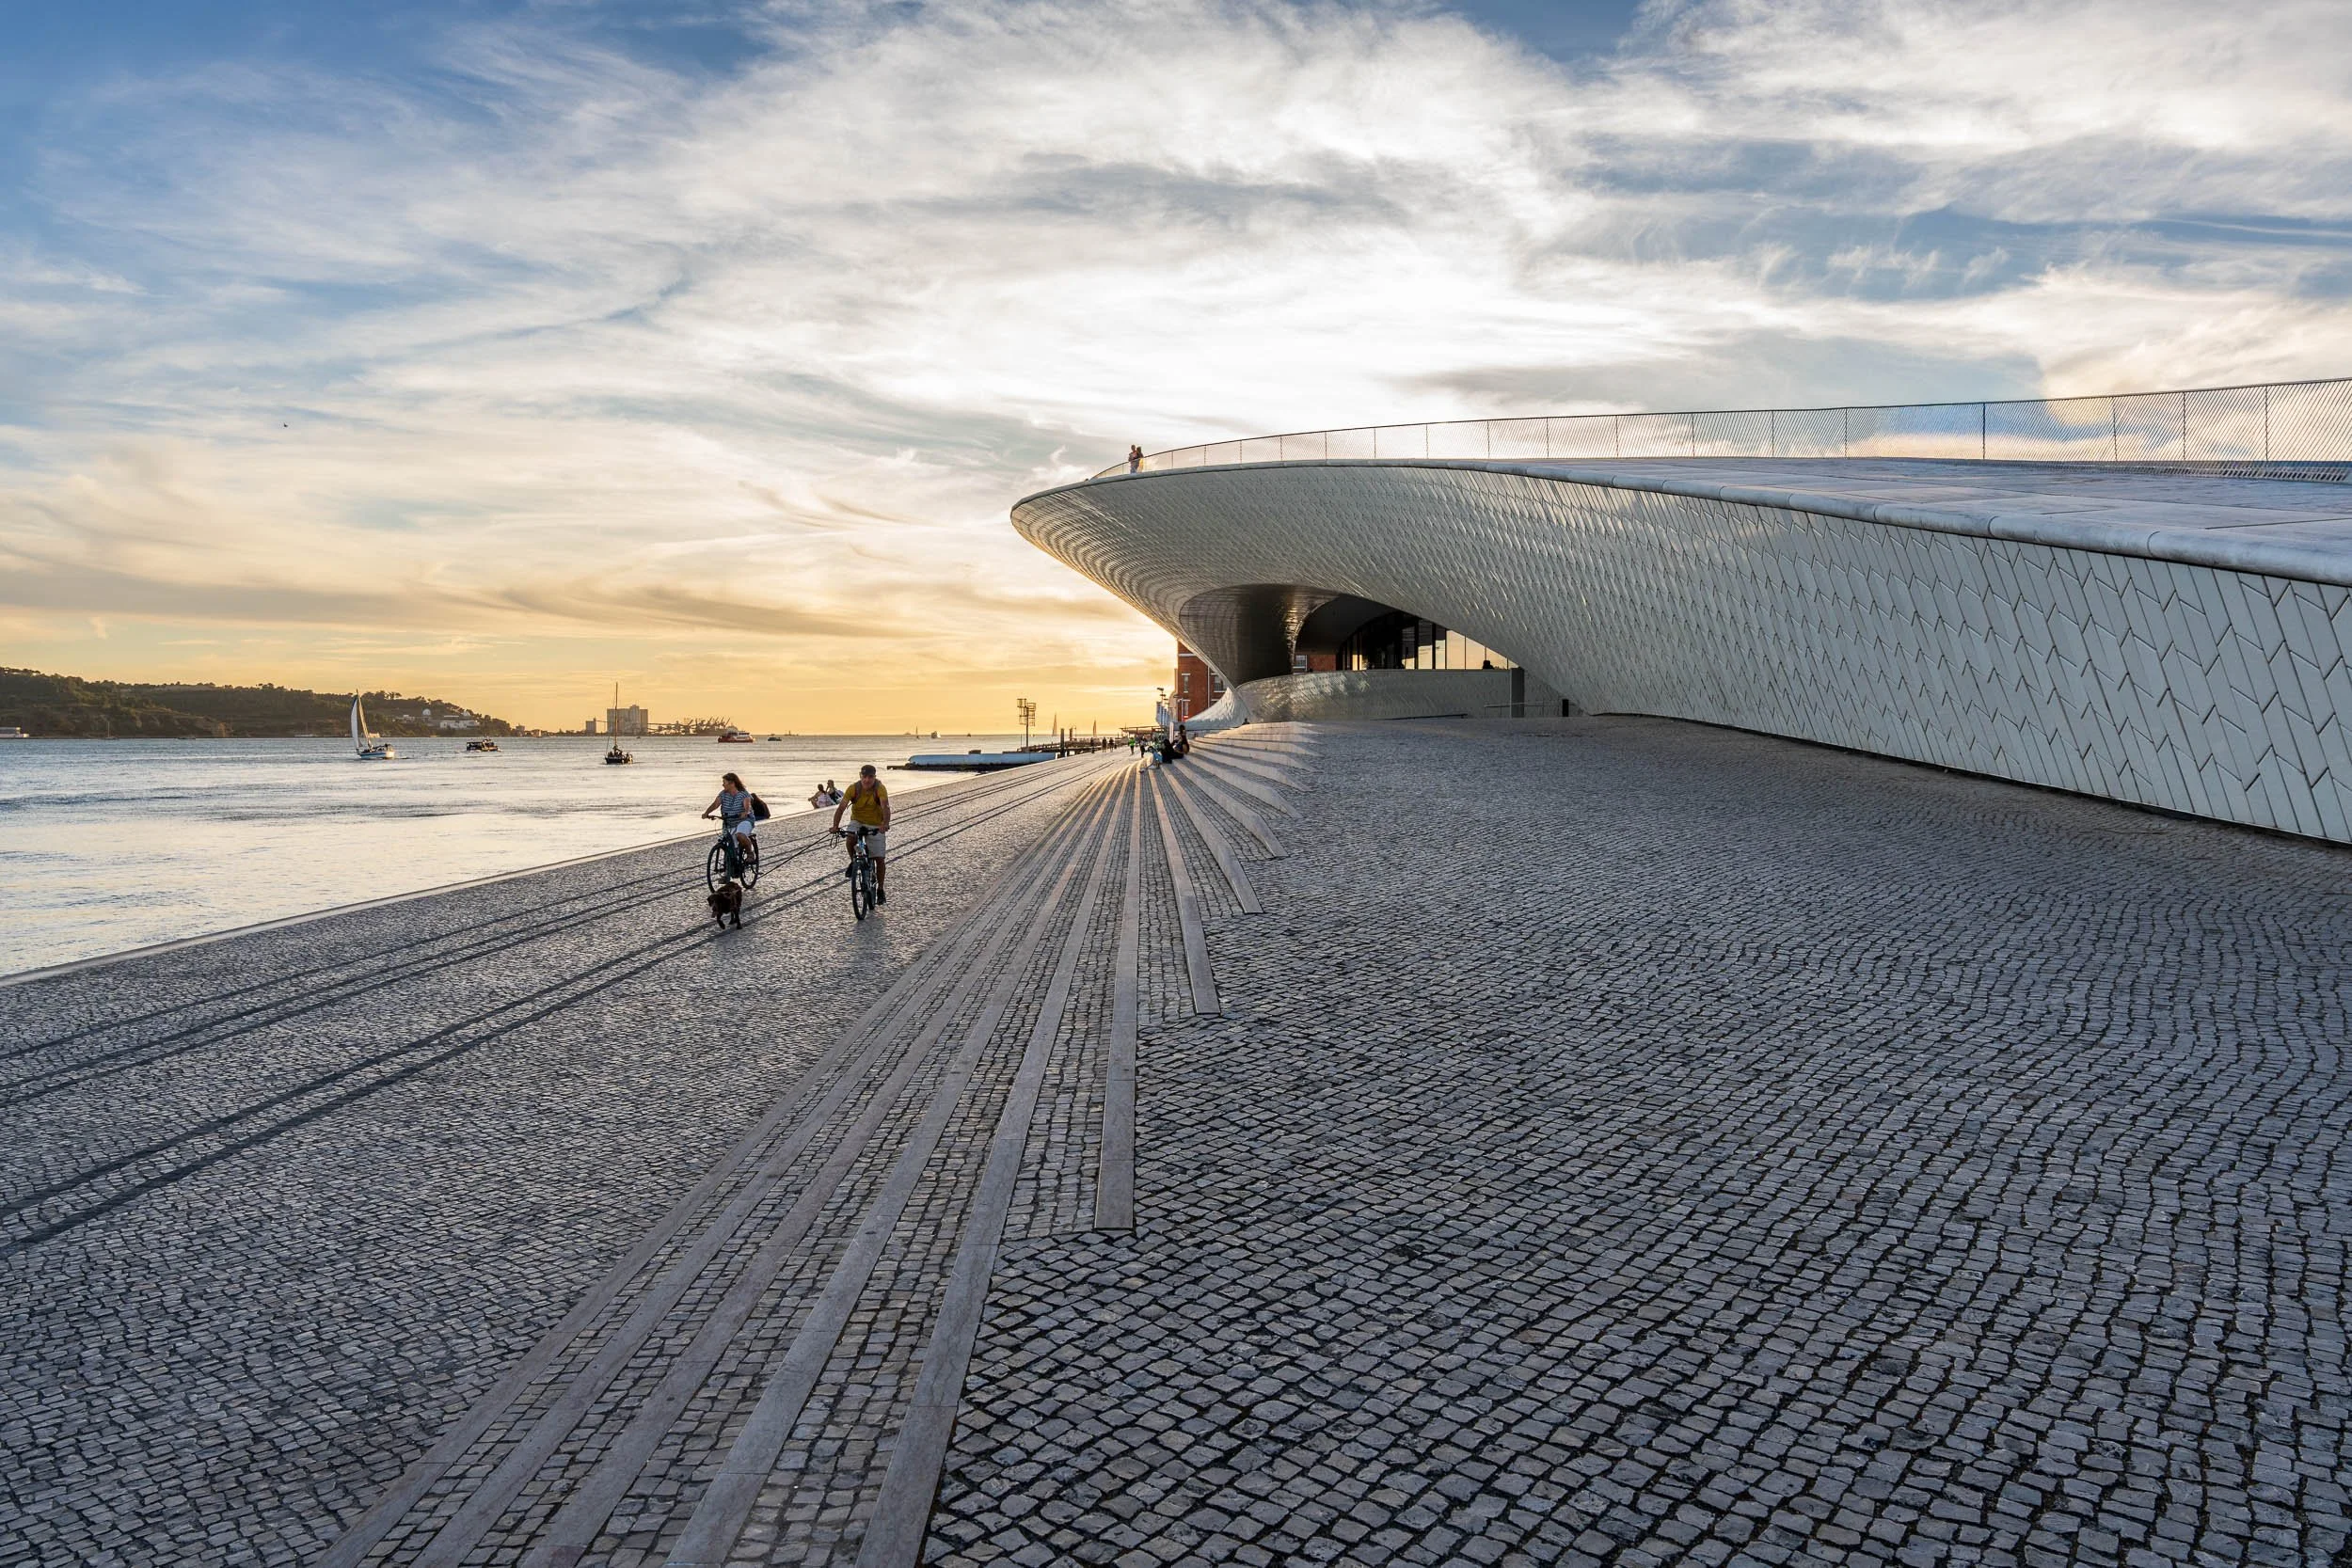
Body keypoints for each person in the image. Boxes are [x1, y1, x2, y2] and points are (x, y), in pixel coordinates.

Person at [831, 764, 893, 903]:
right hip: (857, 820)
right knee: (850, 837)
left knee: (879, 859)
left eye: (870, 777)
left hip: (876, 823)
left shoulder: (880, 789)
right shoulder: (854, 788)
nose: (867, 780)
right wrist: (835, 826)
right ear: (860, 776)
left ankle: (880, 890)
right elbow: (841, 808)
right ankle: (854, 862)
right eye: (864, 777)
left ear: (874, 777)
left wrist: (885, 823)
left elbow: (885, 807)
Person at [703, 771, 757, 879]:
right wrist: (706, 813)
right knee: (726, 843)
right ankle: (729, 870)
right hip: (728, 821)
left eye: (724, 782)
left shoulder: (743, 793)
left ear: (732, 783)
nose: (723, 785)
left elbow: (747, 805)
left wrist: (745, 812)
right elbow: (715, 804)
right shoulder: (723, 794)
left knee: (740, 835)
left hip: (744, 820)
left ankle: (750, 853)